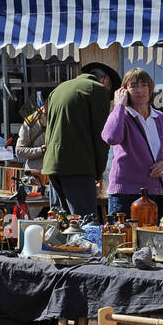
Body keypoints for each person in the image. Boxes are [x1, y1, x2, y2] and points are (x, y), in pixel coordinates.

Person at [42, 61, 118, 217]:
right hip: (79, 166)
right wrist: (99, 173)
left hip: (53, 165)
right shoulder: (97, 90)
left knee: (59, 224)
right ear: (105, 81)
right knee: (85, 225)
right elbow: (101, 136)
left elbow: (49, 132)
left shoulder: (58, 89)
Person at [102, 67, 163, 218]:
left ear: (150, 89)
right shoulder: (122, 115)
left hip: (154, 193)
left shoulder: (160, 118)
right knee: (124, 239)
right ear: (124, 91)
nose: (139, 90)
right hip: (125, 193)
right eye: (133, 85)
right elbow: (111, 137)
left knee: (152, 239)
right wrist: (119, 106)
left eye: (144, 85)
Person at [13, 102, 47, 172]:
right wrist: (40, 150)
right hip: (36, 173)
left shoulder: (62, 117)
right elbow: (19, 151)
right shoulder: (31, 120)